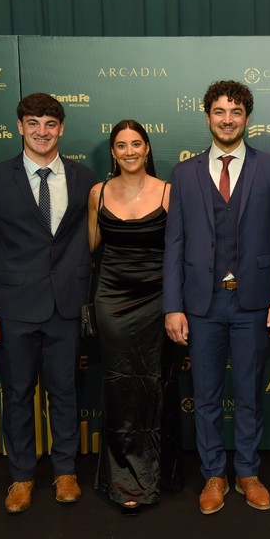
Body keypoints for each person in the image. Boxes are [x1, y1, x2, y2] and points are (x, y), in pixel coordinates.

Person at [163, 80, 270, 515]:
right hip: (201, 304)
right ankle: (213, 475)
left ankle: (248, 472)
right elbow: (175, 244)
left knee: (250, 392)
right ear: (207, 117)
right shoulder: (184, 173)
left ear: (246, 118)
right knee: (205, 394)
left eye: (235, 112)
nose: (227, 119)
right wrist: (173, 306)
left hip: (254, 303)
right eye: (219, 111)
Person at [0, 93, 97, 513]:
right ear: (20, 127)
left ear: (61, 129)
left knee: (65, 393)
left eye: (50, 124)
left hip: (66, 306)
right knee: (18, 394)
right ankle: (21, 477)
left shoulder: (85, 178)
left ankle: (65, 472)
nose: (42, 131)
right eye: (33, 123)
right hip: (13, 308)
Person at [88, 120, 183, 514]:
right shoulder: (97, 193)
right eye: (121, 145)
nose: (129, 151)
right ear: (113, 152)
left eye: (136, 144)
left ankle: (158, 474)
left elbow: (179, 250)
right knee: (119, 386)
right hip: (111, 298)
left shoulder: (169, 193)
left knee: (155, 385)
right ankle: (122, 478)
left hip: (158, 299)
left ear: (147, 149)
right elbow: (90, 248)